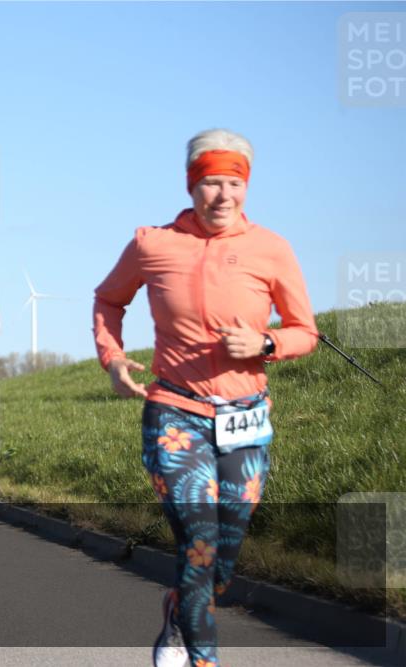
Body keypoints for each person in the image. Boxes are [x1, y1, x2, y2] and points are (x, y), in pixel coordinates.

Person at [92, 129, 318, 667]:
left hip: (247, 418)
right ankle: (203, 660)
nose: (223, 195)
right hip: (175, 413)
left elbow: (304, 330)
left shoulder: (272, 249)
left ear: (247, 185)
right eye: (212, 183)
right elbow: (108, 299)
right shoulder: (154, 243)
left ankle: (178, 611)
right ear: (192, 185)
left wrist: (267, 343)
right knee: (199, 544)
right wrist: (114, 358)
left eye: (234, 183)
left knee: (223, 560)